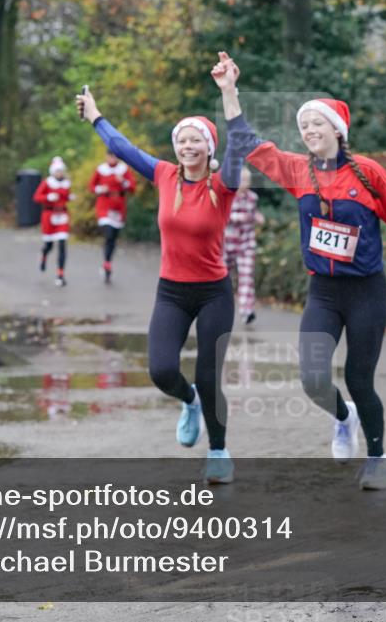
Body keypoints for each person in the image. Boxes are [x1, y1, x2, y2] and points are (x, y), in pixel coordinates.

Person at [214, 51, 386, 490]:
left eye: (316, 125)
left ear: (337, 131)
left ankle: (378, 459)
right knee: (313, 378)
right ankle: (344, 420)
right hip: (323, 291)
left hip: (365, 291)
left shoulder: (367, 173)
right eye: (304, 127)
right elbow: (246, 140)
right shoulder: (296, 170)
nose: (309, 132)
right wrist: (230, 90)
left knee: (361, 379)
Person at [75, 87, 239, 484]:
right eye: (181, 139)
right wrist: (96, 115)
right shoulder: (165, 175)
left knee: (208, 374)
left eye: (195, 139)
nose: (187, 145)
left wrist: (229, 92)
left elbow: (242, 141)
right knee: (161, 370)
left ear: (209, 147)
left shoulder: (223, 185)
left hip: (214, 292)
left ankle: (218, 452)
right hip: (172, 291)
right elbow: (123, 147)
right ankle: (190, 402)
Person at [223, 167, 265, 325]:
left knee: (246, 278)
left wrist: (257, 216)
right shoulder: (227, 196)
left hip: (246, 244)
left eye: (247, 180)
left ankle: (247, 312)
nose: (245, 183)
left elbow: (254, 213)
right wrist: (248, 217)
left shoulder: (252, 197)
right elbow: (225, 217)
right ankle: (221, 307)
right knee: (222, 278)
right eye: (241, 180)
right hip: (226, 245)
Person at [89, 151, 137, 283]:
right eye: (110, 156)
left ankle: (107, 262)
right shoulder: (100, 170)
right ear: (106, 157)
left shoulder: (123, 170)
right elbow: (91, 186)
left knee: (113, 237)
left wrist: (124, 182)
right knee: (108, 233)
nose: (112, 158)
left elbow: (133, 188)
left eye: (114, 156)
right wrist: (100, 189)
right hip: (104, 205)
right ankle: (106, 263)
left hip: (118, 207)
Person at [33, 156, 73, 287]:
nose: (60, 173)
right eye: (57, 171)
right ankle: (43, 255)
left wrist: (70, 197)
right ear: (53, 172)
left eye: (61, 171)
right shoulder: (47, 182)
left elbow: (66, 196)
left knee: (62, 244)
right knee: (49, 245)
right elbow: (37, 197)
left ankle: (60, 275)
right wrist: (48, 197)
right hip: (49, 216)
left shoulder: (67, 183)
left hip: (62, 215)